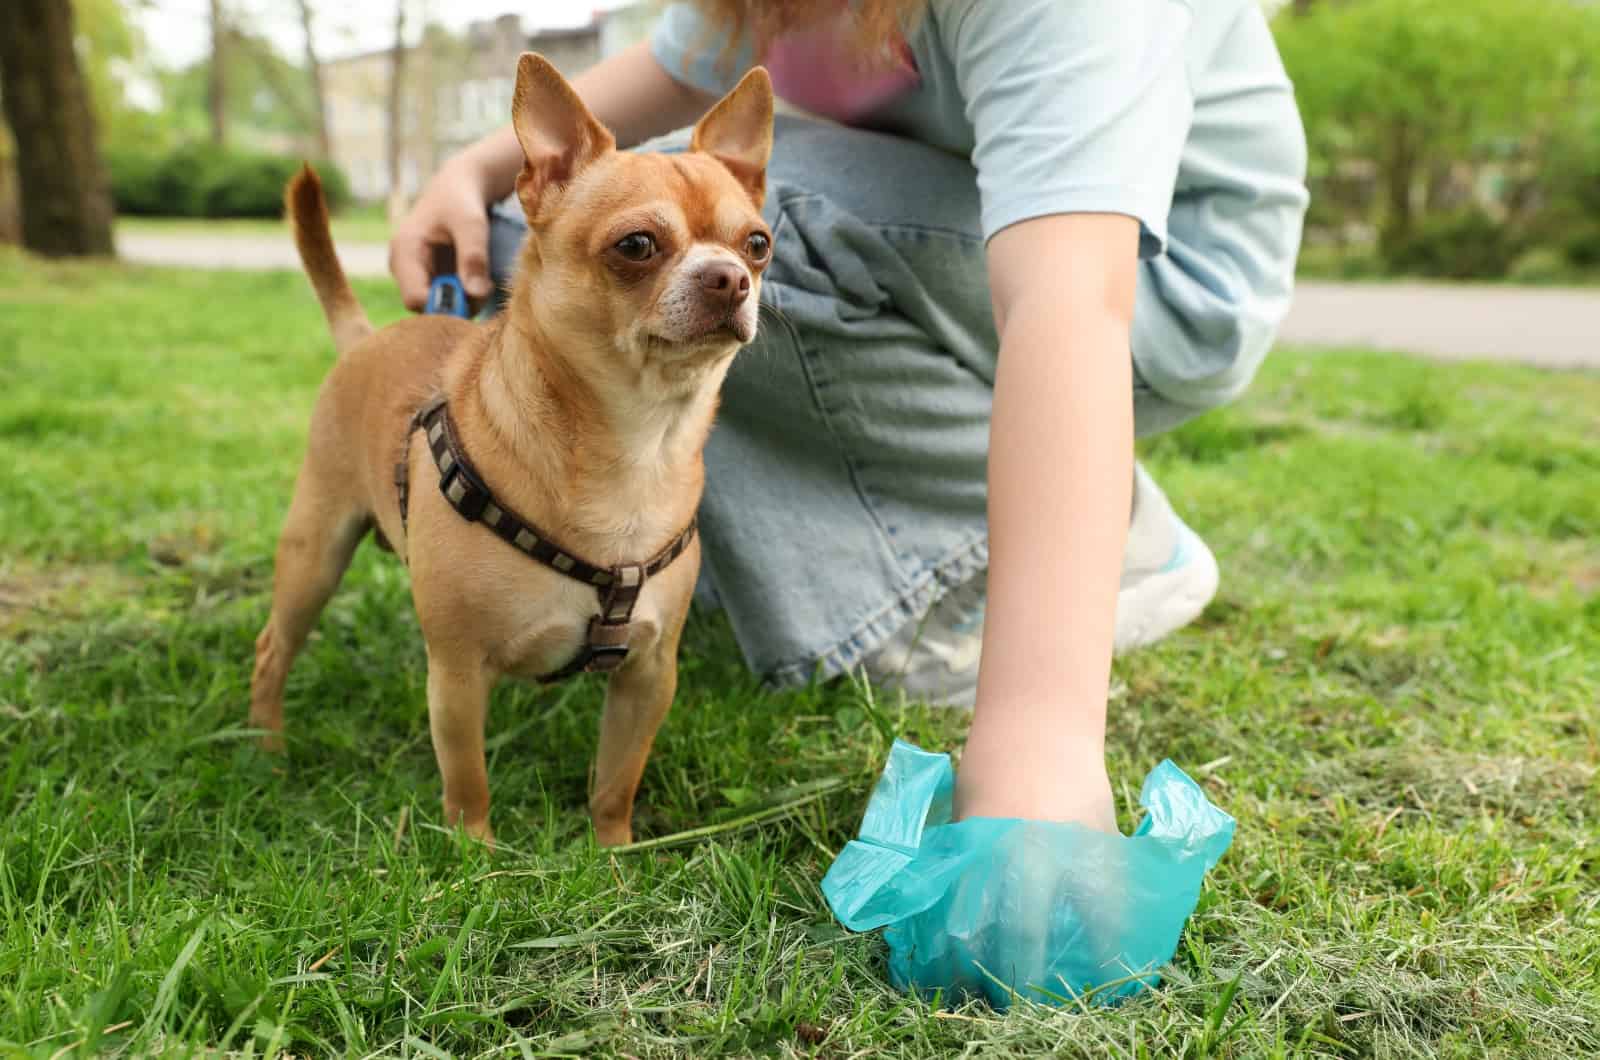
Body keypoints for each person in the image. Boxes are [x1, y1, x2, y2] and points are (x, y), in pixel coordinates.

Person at [390, 0, 1308, 835]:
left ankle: (1059, 556)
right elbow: (670, 72)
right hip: (972, 241)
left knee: (771, 210)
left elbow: (1072, 304)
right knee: (549, 241)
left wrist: (1040, 748)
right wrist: (470, 171)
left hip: (1158, 285)